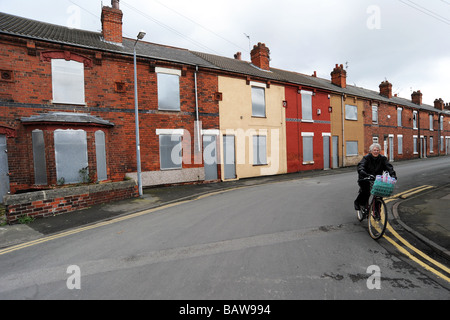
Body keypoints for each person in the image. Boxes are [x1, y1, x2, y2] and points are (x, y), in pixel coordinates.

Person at [354, 143, 397, 220]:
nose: (376, 151)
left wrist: (393, 175)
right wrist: (363, 172)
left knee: (379, 194)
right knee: (366, 191)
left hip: (377, 179)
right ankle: (359, 203)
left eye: (377, 150)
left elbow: (389, 167)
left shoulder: (383, 159)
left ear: (379, 151)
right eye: (374, 150)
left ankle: (377, 211)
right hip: (365, 178)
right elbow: (361, 166)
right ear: (371, 151)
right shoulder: (366, 158)